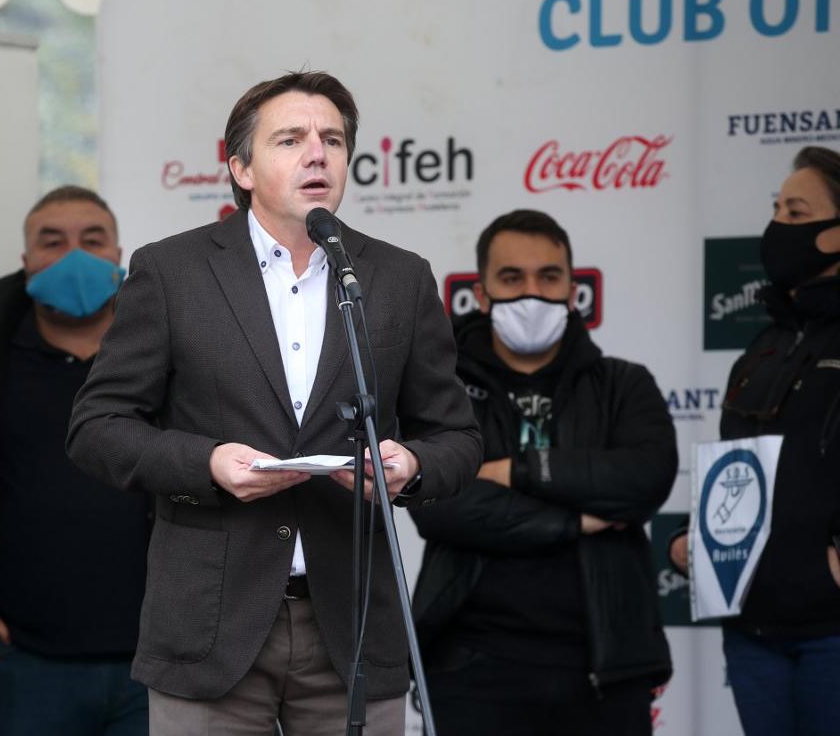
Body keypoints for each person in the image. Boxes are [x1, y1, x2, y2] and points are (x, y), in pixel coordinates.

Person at [66, 70, 481, 735]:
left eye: (333, 140)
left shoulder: (397, 278)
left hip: (352, 628)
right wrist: (206, 463)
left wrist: (408, 464)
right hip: (211, 629)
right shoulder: (171, 272)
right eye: (290, 139)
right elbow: (97, 428)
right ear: (240, 166)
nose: (317, 154)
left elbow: (458, 438)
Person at [411, 209, 676, 736]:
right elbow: (438, 504)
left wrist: (513, 471)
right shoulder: (443, 391)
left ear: (573, 288)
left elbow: (643, 480)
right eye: (512, 278)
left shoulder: (625, 384)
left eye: (548, 277)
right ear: (481, 294)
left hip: (607, 667)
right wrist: (577, 519)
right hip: (468, 667)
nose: (532, 293)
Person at [0, 186, 150, 735]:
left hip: (157, 664)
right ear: (25, 264)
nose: (73, 255)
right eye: (52, 241)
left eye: (92, 240)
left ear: (118, 257)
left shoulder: (164, 361)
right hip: (20, 665)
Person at [668, 145, 840, 736]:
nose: (777, 227)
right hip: (752, 630)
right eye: (777, 210)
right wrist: (700, 540)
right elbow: (739, 470)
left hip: (832, 635)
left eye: (797, 213)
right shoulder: (763, 346)